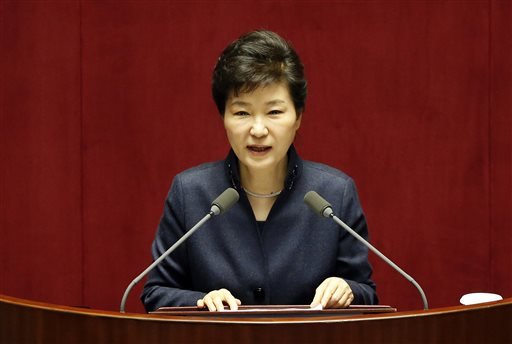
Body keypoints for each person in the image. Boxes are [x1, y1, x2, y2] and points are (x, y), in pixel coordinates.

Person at [141, 30, 377, 312]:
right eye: (242, 113)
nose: (258, 130)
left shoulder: (334, 195)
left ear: (298, 116)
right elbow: (155, 292)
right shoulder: (190, 193)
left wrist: (347, 289)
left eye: (274, 112)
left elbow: (366, 294)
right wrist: (200, 301)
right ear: (223, 118)